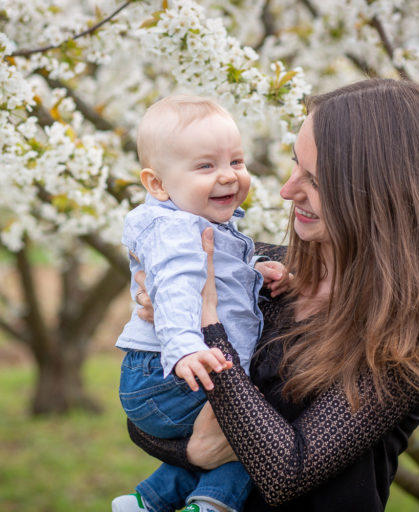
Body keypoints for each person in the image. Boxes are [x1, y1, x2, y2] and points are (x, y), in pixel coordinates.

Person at [127, 79, 419, 510]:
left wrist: (209, 326)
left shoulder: (410, 331)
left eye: (314, 179)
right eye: (296, 165)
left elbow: (287, 472)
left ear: (379, 192)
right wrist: (188, 451)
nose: (287, 190)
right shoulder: (256, 272)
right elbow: (149, 412)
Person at [112, 95, 288, 512]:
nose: (228, 177)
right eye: (206, 166)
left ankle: (146, 502)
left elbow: (219, 273)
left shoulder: (200, 223)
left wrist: (255, 272)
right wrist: (185, 348)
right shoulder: (175, 230)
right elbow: (174, 288)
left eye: (237, 162)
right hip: (169, 371)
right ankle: (211, 504)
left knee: (230, 433)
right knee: (257, 432)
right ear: (157, 184)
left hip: (163, 373)